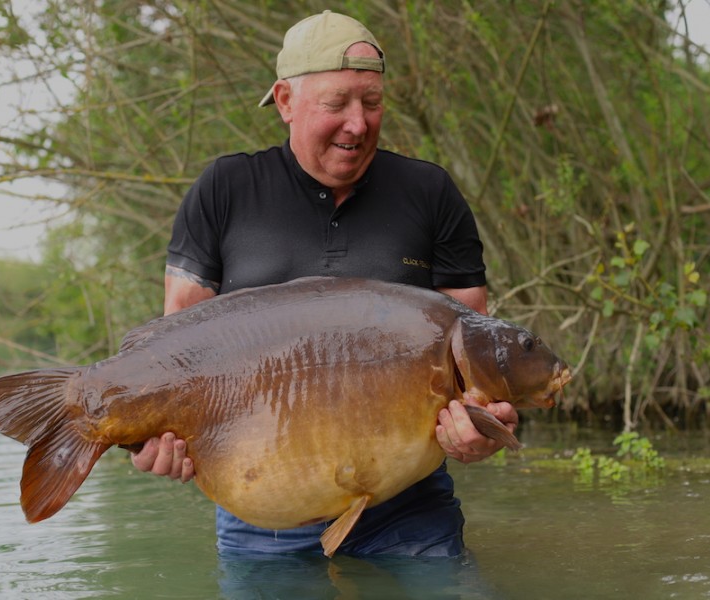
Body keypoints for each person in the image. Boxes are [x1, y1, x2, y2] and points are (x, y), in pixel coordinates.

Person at [131, 10, 519, 557]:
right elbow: (171, 358)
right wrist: (156, 442)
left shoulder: (430, 193)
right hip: (263, 508)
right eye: (336, 103)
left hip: (409, 506)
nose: (358, 123)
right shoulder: (224, 190)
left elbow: (478, 362)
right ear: (285, 101)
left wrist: (480, 435)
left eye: (372, 102)